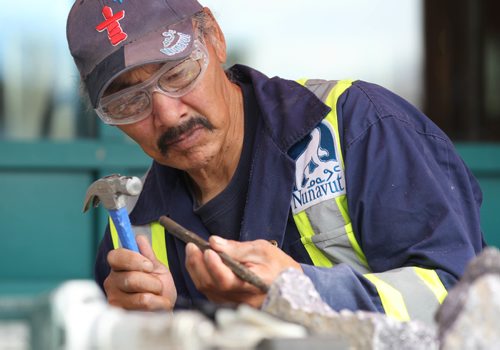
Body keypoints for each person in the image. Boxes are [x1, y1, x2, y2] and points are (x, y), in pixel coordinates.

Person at [66, 0, 485, 324]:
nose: (169, 115)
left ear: (214, 37)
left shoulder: (360, 128)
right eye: (129, 102)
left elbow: (466, 304)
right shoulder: (133, 238)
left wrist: (302, 291)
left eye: (177, 74)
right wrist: (145, 331)